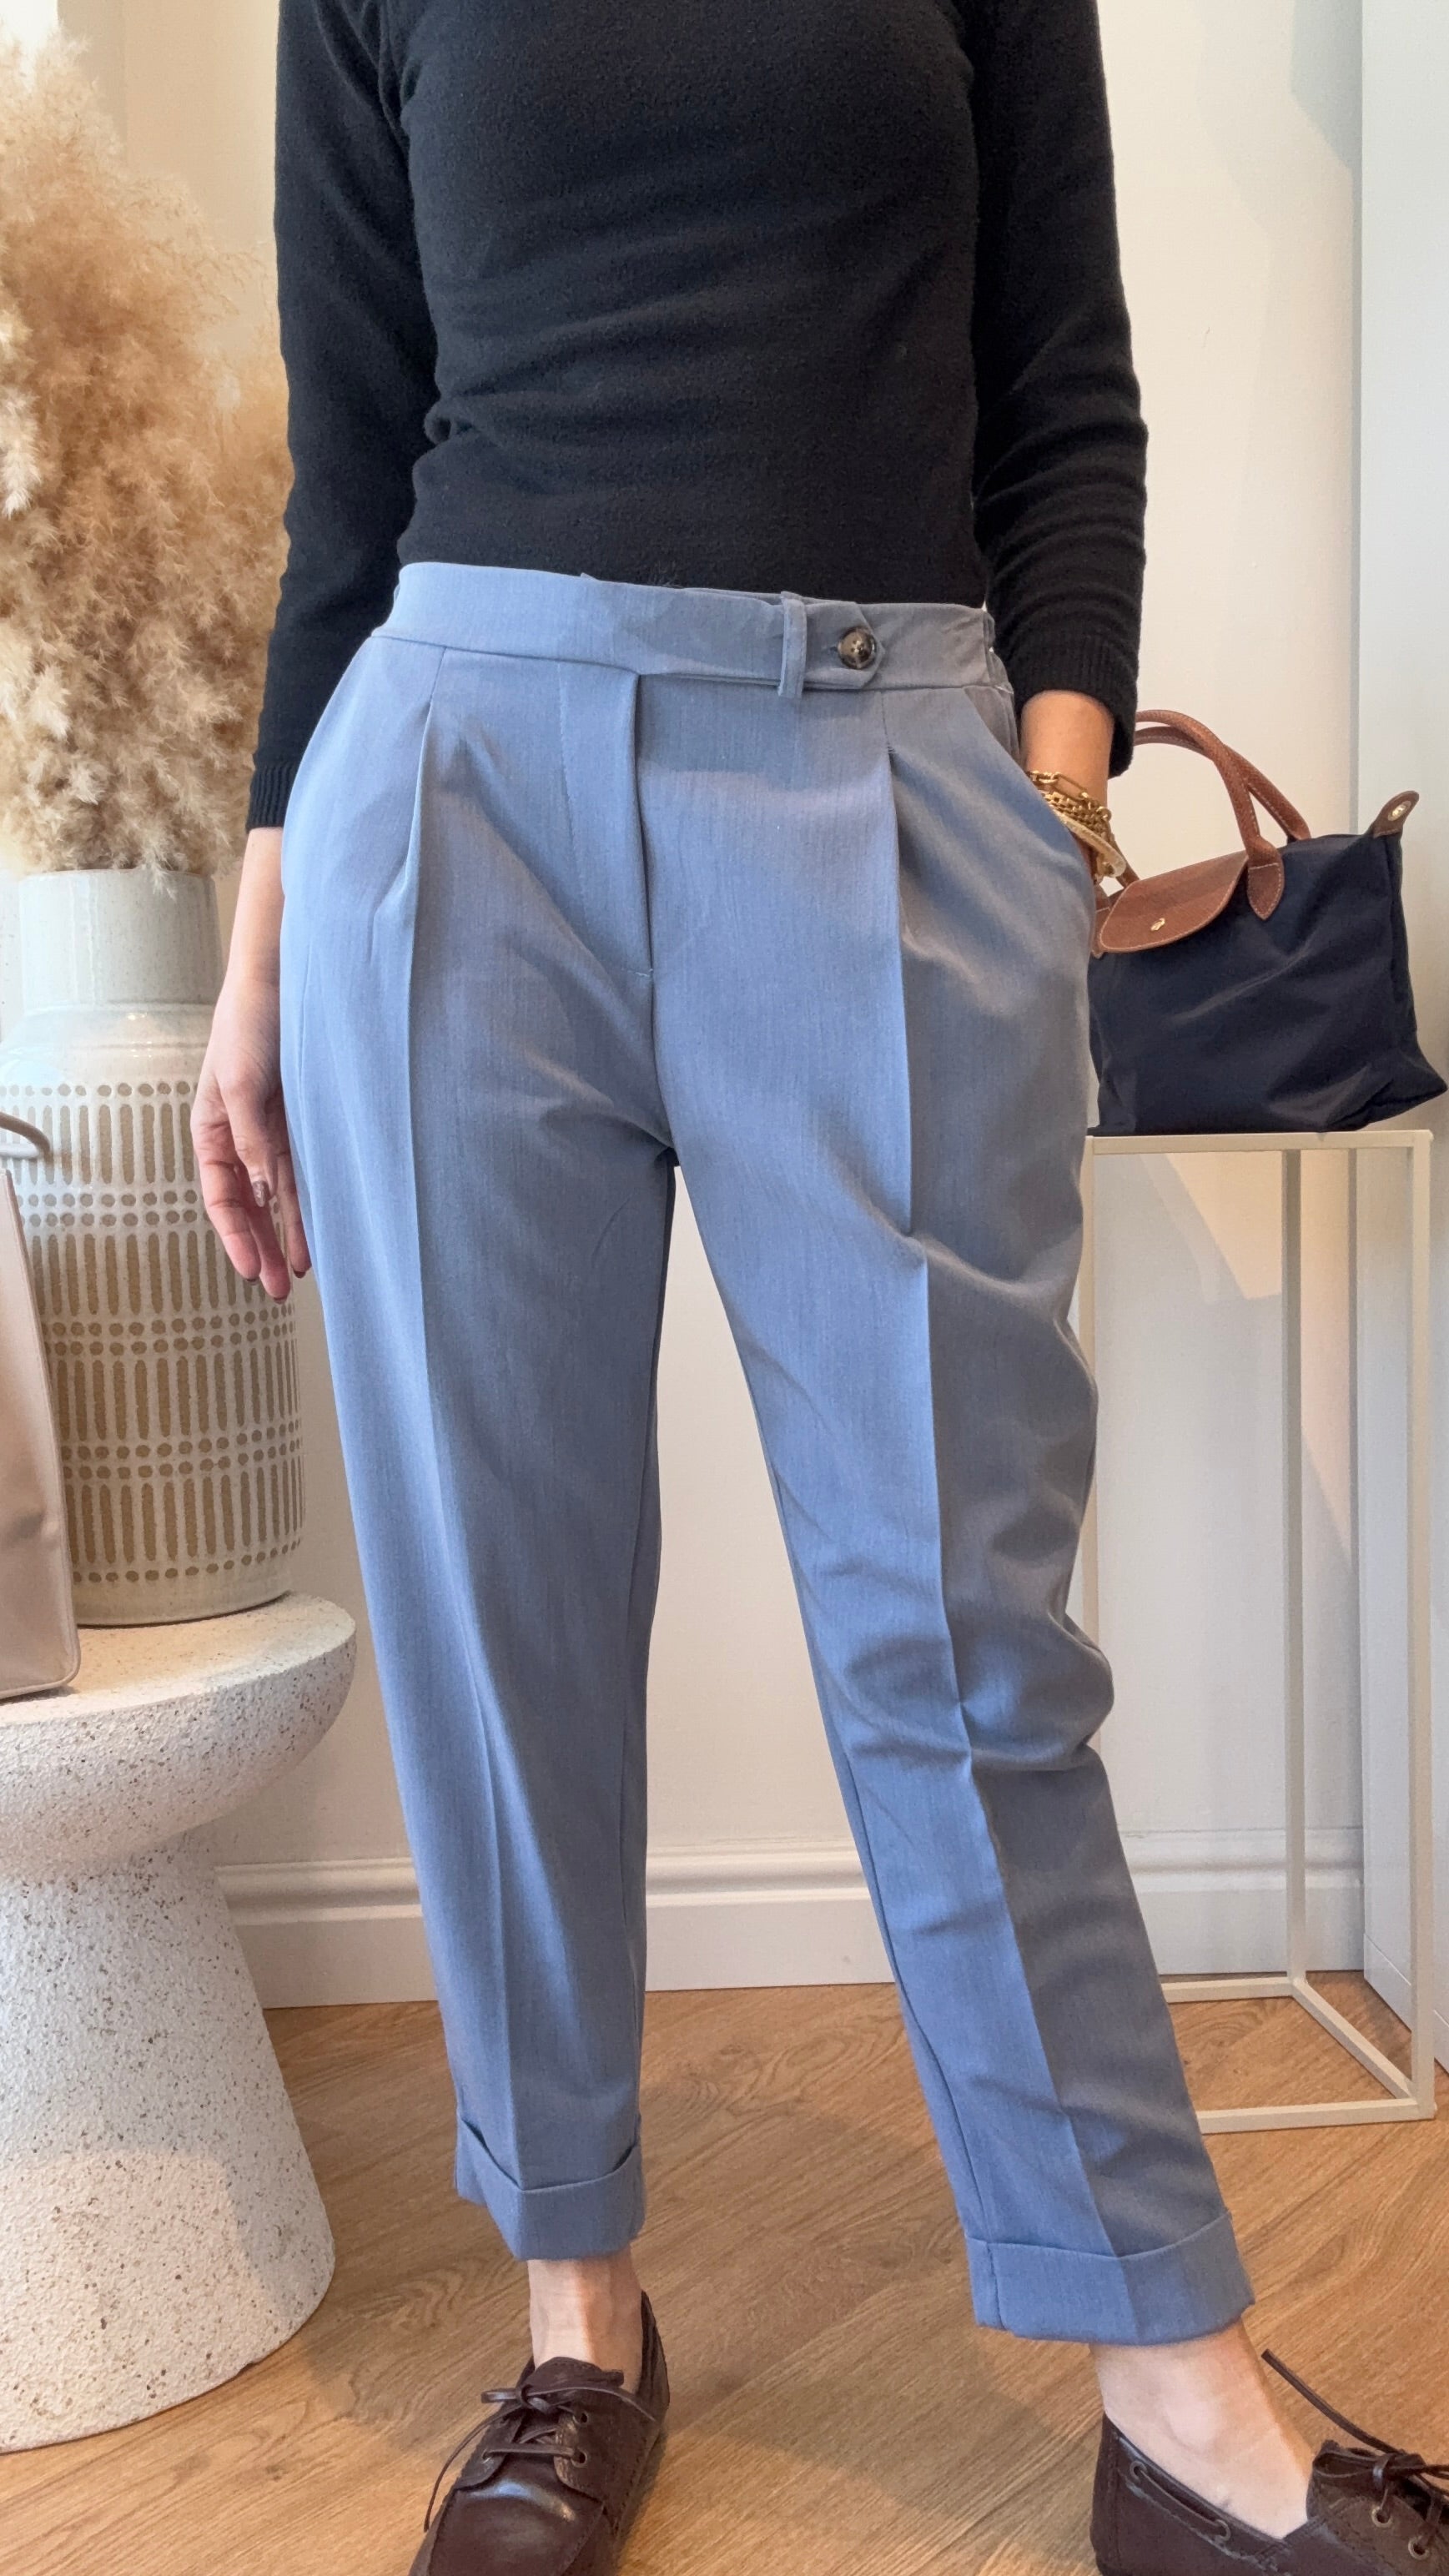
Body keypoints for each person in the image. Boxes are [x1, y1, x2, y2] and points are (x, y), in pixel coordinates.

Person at [194, 6, 1443, 2574]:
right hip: (453, 796)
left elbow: (1061, 396)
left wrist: (1044, 797)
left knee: (958, 1632)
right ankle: (574, 2329)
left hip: (876, 770)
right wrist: (257, 944)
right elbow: (355, 460)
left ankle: (1172, 2392)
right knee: (499, 1617)